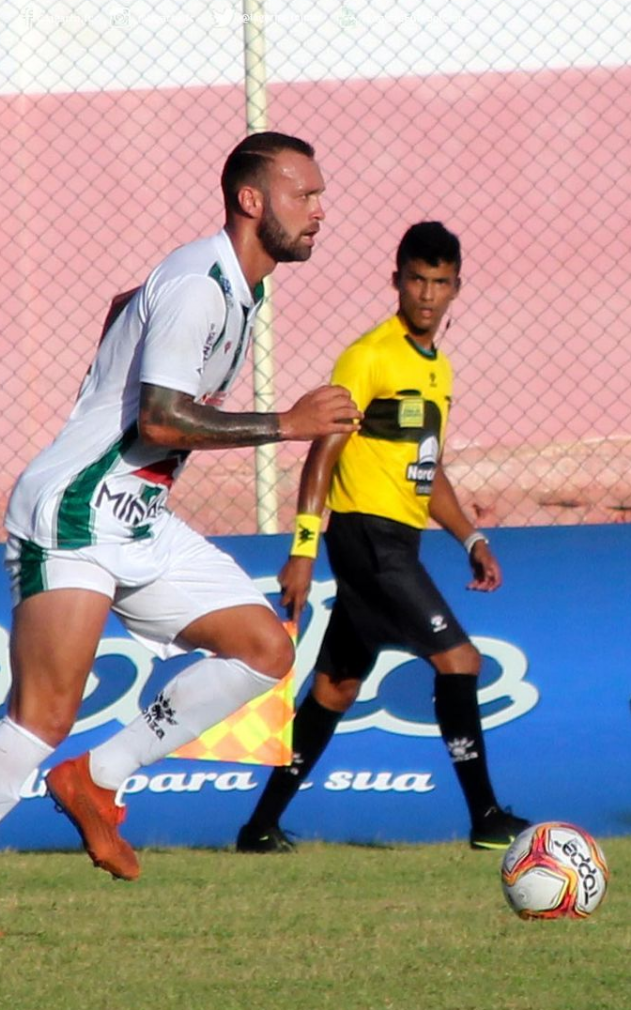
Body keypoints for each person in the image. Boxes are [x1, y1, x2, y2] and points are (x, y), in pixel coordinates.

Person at [0, 131, 361, 939]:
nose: (318, 210)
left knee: (265, 650)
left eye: (319, 196)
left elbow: (125, 305)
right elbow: (162, 419)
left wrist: (123, 343)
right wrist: (290, 423)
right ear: (250, 200)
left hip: (137, 517)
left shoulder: (235, 288)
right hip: (75, 511)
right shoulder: (200, 284)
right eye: (303, 194)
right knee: (42, 717)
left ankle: (100, 776)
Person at [235, 221, 529, 855]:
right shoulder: (368, 356)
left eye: (440, 283)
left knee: (336, 687)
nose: (427, 294)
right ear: (396, 280)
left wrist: (471, 538)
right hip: (368, 540)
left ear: (456, 288)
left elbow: (428, 468)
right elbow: (323, 452)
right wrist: (303, 549)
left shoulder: (438, 369)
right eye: (416, 280)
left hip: (398, 541)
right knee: (460, 661)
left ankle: (258, 827)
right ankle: (485, 817)